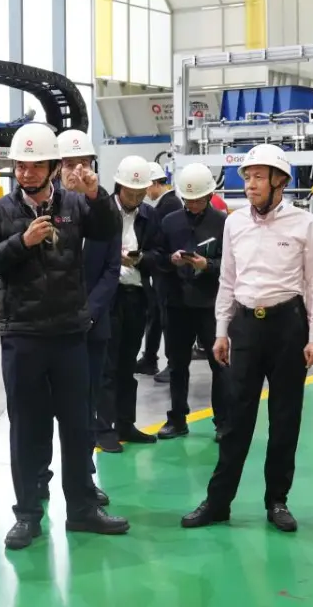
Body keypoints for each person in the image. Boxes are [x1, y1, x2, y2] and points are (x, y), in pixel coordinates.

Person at [0, 123, 130, 550]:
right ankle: (27, 516)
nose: (26, 173)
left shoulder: (75, 205)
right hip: (22, 335)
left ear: (51, 167)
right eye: (20, 166)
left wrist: (97, 194)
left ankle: (82, 510)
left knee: (78, 427)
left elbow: (107, 230)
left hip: (68, 335)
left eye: (35, 166)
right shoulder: (0, 212)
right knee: (27, 429)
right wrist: (22, 242)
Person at [181, 143, 313, 533]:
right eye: (247, 177)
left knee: (284, 418)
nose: (250, 184)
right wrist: (221, 331)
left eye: (259, 177)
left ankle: (277, 500)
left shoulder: (304, 224)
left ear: (281, 181)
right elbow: (228, 280)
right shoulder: (234, 223)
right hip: (245, 326)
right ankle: (218, 502)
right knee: (235, 418)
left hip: (288, 328)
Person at [35, 129, 117, 506]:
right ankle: (39, 479)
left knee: (85, 409)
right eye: (69, 163)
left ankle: (84, 477)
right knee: (41, 409)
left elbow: (111, 270)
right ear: (56, 168)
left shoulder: (104, 208)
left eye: (83, 162)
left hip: (91, 328)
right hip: (49, 328)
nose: (76, 170)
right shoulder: (42, 207)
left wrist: (89, 313)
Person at [147, 162, 230, 442]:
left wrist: (208, 265)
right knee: (177, 364)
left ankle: (223, 421)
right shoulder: (169, 222)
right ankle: (177, 419)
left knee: (219, 364)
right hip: (177, 304)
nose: (192, 205)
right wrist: (170, 260)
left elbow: (231, 264)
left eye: (198, 200)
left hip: (210, 305)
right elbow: (156, 256)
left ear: (209, 196)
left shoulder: (222, 223)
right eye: (188, 200)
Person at [97, 156, 160, 452]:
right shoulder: (102, 211)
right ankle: (103, 428)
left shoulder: (149, 216)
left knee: (126, 366)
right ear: (118, 186)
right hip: (108, 298)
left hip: (136, 297)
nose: (135, 199)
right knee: (106, 366)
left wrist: (141, 259)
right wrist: (114, 259)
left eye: (140, 194)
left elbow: (160, 255)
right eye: (130, 193)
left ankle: (125, 423)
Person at [137, 161, 180, 381]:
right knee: (156, 315)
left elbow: (159, 239)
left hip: (167, 272)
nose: (145, 192)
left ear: (155, 183)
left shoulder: (168, 206)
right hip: (162, 271)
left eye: (146, 186)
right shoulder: (167, 204)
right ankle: (150, 358)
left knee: (167, 319)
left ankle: (173, 365)